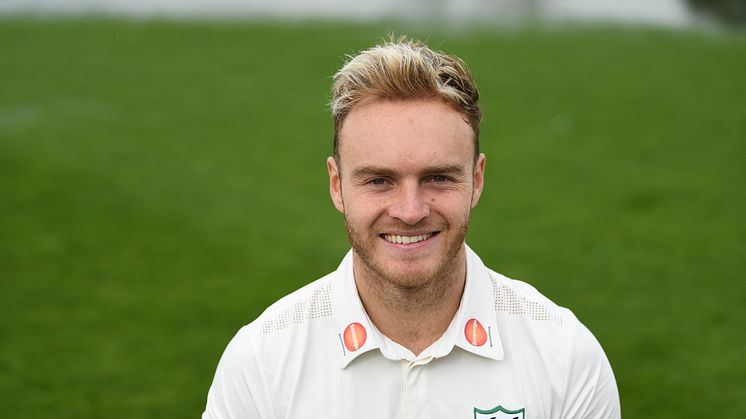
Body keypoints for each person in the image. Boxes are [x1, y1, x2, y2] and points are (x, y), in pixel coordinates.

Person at [202, 37, 620, 419]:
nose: (409, 210)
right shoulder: (261, 362)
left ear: (476, 180)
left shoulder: (565, 357)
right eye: (378, 180)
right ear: (337, 185)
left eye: (437, 177)